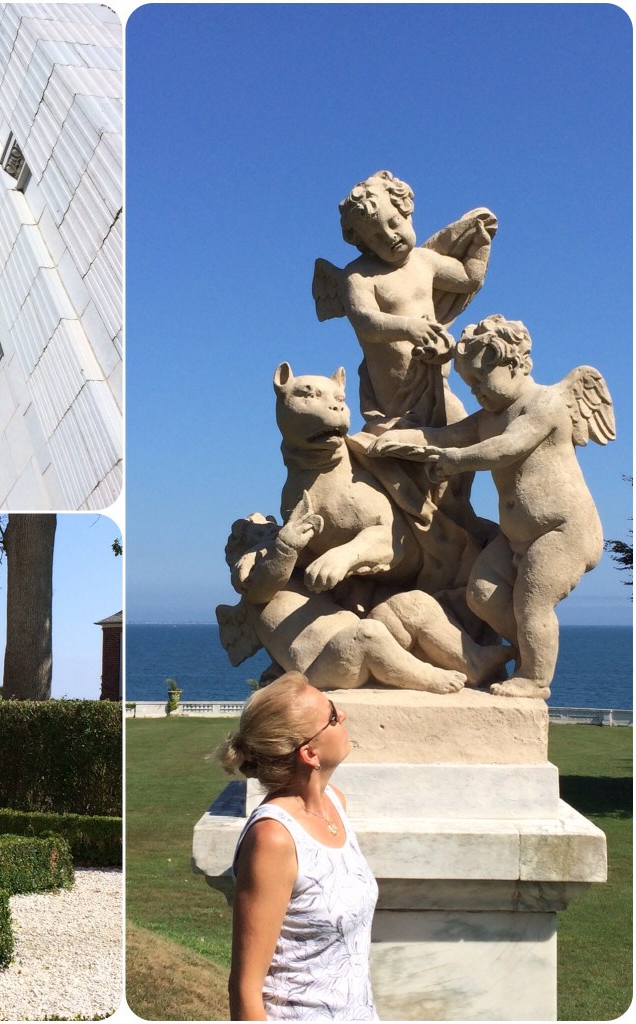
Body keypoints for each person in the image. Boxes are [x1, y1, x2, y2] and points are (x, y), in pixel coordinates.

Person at [368, 314, 615, 698]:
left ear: (514, 364)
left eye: (482, 381)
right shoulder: (487, 418)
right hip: (516, 537)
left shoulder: (545, 404)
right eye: (470, 385)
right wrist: (400, 439)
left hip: (561, 530)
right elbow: (443, 436)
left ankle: (535, 678)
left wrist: (454, 460)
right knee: (482, 593)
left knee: (532, 604)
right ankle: (530, 649)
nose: (476, 392)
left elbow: (507, 448)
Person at [217, 673, 378, 1020]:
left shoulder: (335, 804)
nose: (343, 715)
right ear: (310, 753)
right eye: (332, 715)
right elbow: (244, 989)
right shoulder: (273, 838)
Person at [313, 170, 496, 431]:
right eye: (376, 237)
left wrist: (480, 245)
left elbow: (468, 279)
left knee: (461, 428)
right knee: (422, 435)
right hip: (394, 391)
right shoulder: (358, 276)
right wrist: (409, 327)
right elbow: (365, 321)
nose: (390, 236)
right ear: (363, 243)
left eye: (394, 222)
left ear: (407, 212)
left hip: (433, 375)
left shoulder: (425, 261)